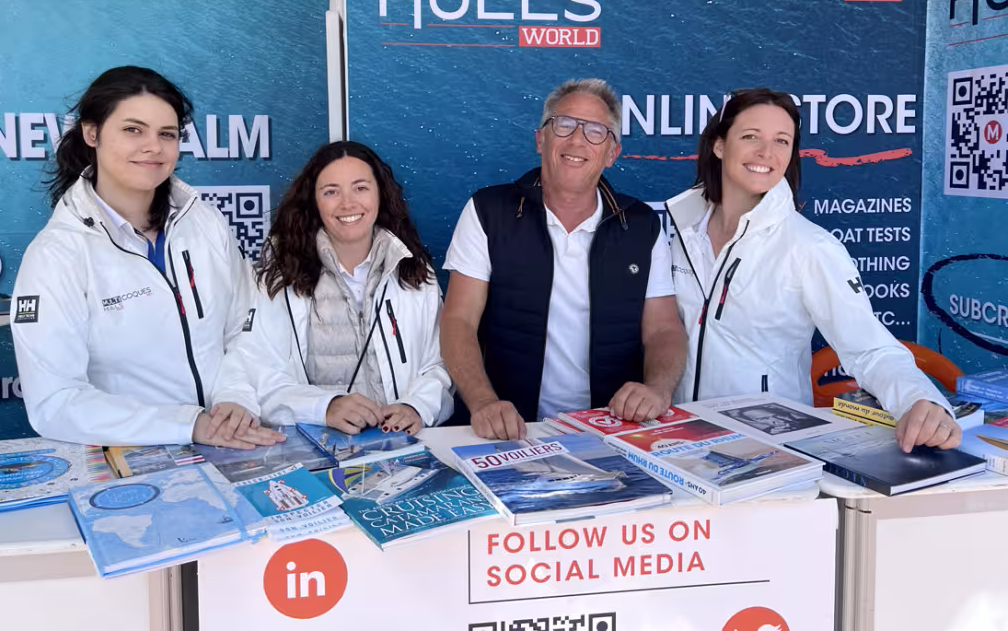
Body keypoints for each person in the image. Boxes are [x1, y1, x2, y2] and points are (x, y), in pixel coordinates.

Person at [666, 87, 961, 452]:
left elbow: (869, 347)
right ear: (719, 145)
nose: (766, 152)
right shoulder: (683, 231)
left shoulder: (809, 246)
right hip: (679, 438)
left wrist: (919, 400)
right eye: (751, 136)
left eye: (781, 141)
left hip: (766, 449)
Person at [11, 66, 282, 449]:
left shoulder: (204, 221)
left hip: (231, 441)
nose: (153, 146)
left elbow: (245, 326)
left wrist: (235, 396)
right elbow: (55, 402)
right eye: (133, 130)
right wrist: (189, 425)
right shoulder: (57, 254)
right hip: (131, 458)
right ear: (92, 133)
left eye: (167, 134)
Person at [440, 78, 687, 440]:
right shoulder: (489, 211)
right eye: (565, 124)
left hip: (611, 428)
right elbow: (459, 320)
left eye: (596, 131)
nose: (577, 140)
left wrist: (658, 389)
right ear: (541, 138)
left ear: (612, 153)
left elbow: (664, 328)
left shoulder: (641, 225)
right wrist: (483, 402)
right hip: (511, 429)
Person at [211, 141, 453, 436]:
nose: (348, 204)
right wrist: (325, 407)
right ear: (314, 201)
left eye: (360, 188)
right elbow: (258, 374)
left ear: (381, 193)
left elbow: (441, 363)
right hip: (315, 445)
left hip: (400, 442)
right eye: (331, 192)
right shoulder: (278, 277)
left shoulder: (414, 271)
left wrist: (416, 407)